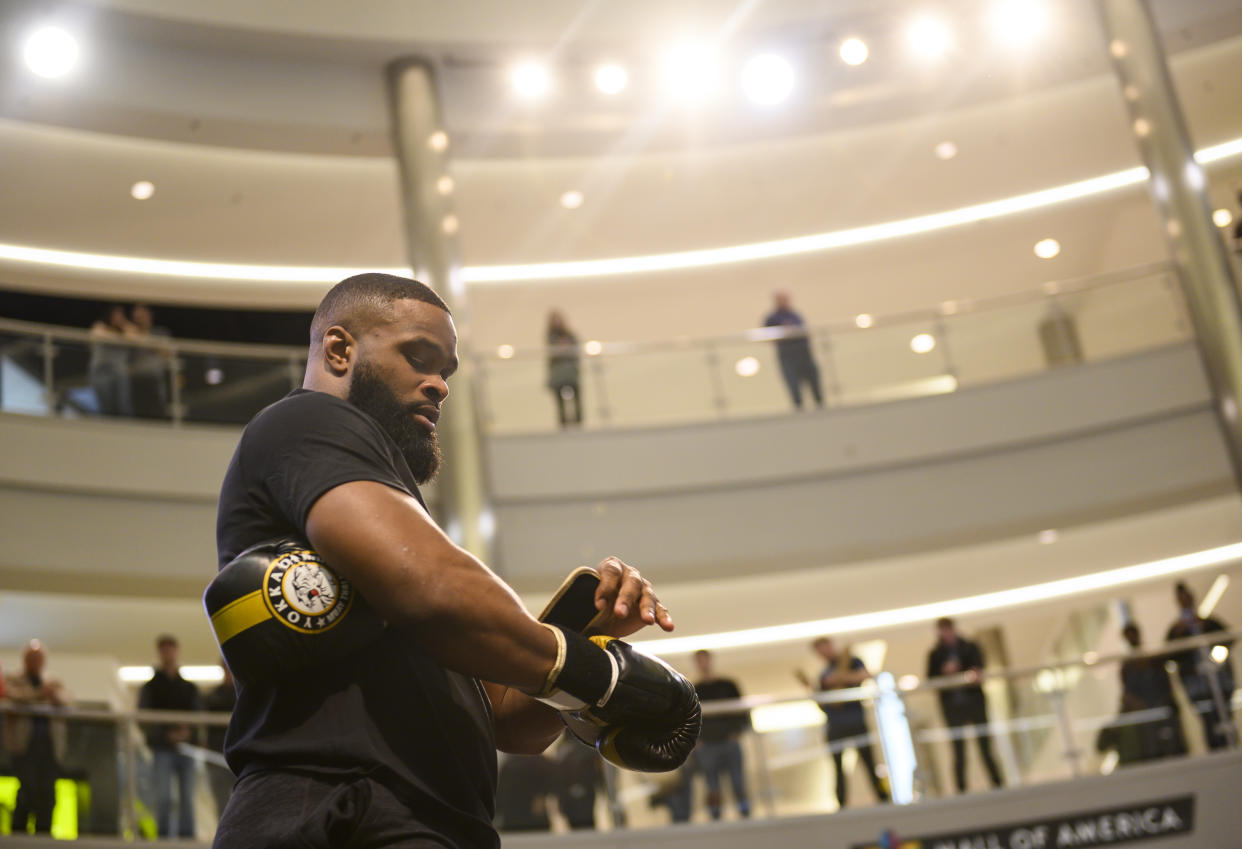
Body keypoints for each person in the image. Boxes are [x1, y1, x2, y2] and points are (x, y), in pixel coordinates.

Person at [211, 273, 691, 849]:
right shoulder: (308, 422)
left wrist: (591, 649)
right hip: (340, 803)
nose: (437, 385)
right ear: (339, 350)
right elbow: (432, 586)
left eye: (446, 372)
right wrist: (603, 678)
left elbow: (507, 720)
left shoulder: (392, 511)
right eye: (418, 358)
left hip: (426, 815)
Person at [797, 637, 888, 808]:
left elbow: (865, 675)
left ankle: (883, 798)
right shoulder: (824, 675)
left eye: (825, 648)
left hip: (856, 721)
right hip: (836, 725)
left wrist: (839, 678)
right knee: (837, 768)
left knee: (870, 764)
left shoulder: (852, 662)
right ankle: (842, 803)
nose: (824, 653)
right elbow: (824, 705)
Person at [925, 618, 1004, 793]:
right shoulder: (936, 654)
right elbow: (931, 679)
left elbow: (979, 667)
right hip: (952, 707)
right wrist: (944, 673)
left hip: (974, 703)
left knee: (985, 746)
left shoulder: (969, 647)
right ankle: (961, 789)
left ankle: (998, 784)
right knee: (958, 750)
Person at [138, 634, 203, 838]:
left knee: (187, 797)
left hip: (186, 748)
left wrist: (188, 733)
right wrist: (166, 735)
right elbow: (145, 718)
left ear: (176, 651)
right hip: (161, 748)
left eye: (170, 649)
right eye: (164, 650)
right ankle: (163, 837)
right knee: (164, 796)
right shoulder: (150, 688)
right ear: (160, 653)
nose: (168, 654)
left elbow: (198, 715)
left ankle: (187, 838)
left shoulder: (189, 687)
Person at [3, 640, 70, 834]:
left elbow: (69, 703)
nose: (35, 662)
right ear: (25, 660)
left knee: (48, 792)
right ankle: (19, 833)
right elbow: (13, 697)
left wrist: (54, 695)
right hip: (24, 746)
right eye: (31, 658)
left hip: (49, 747)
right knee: (27, 789)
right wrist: (41, 693)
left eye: (38, 658)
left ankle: (44, 834)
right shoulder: (14, 679)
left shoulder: (53, 681)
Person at [1165, 582, 1236, 750]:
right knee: (1208, 720)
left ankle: (1232, 747)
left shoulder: (1208, 623)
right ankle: (1216, 752)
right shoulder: (1176, 630)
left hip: (1220, 680)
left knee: (1226, 717)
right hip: (1196, 686)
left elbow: (1228, 638)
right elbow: (1169, 655)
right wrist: (1180, 635)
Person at [691, 650, 751, 819]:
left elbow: (742, 710)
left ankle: (744, 811)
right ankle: (715, 814)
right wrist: (696, 741)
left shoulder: (728, 685)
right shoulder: (694, 689)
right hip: (706, 744)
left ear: (710, 661)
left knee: (737, 780)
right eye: (699, 661)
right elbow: (690, 717)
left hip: (729, 740)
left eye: (705, 660)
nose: (703, 664)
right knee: (712, 784)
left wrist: (738, 732)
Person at [1116, 623, 1185, 760]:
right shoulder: (1127, 666)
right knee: (1153, 745)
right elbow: (1128, 692)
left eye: (1133, 635)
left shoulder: (1154, 660)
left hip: (1162, 706)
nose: (1131, 639)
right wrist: (1139, 705)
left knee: (1172, 743)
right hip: (1145, 712)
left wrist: (1166, 700)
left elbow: (1166, 684)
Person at [763, 291, 823, 410]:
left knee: (814, 380)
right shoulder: (772, 318)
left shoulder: (795, 314)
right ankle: (799, 407)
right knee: (793, 383)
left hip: (804, 353)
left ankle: (820, 404)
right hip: (788, 355)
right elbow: (766, 335)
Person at [88, 304, 136, 417]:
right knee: (105, 405)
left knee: (123, 405)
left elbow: (135, 338)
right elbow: (96, 337)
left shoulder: (127, 330)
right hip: (101, 371)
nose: (117, 317)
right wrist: (119, 338)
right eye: (115, 314)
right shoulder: (100, 326)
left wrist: (123, 324)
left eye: (120, 314)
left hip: (119, 372)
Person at [203, 663, 237, 818]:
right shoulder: (212, 698)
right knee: (222, 802)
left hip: (239, 758)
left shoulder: (246, 695)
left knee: (242, 802)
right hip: (216, 754)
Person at [128, 303, 172, 419]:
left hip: (154, 380)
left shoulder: (160, 332)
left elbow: (167, 352)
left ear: (149, 314)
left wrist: (142, 338)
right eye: (136, 316)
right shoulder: (129, 334)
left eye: (141, 314)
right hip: (135, 380)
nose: (138, 318)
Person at [494, 753, 554, 832]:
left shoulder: (509, 765)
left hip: (514, 815)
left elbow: (500, 794)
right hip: (529, 815)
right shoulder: (542, 762)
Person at [546, 310, 582, 428]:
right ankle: (563, 424)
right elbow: (553, 353)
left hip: (571, 373)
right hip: (558, 374)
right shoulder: (550, 337)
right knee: (560, 402)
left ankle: (578, 423)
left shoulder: (570, 334)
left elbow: (575, 348)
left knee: (577, 400)